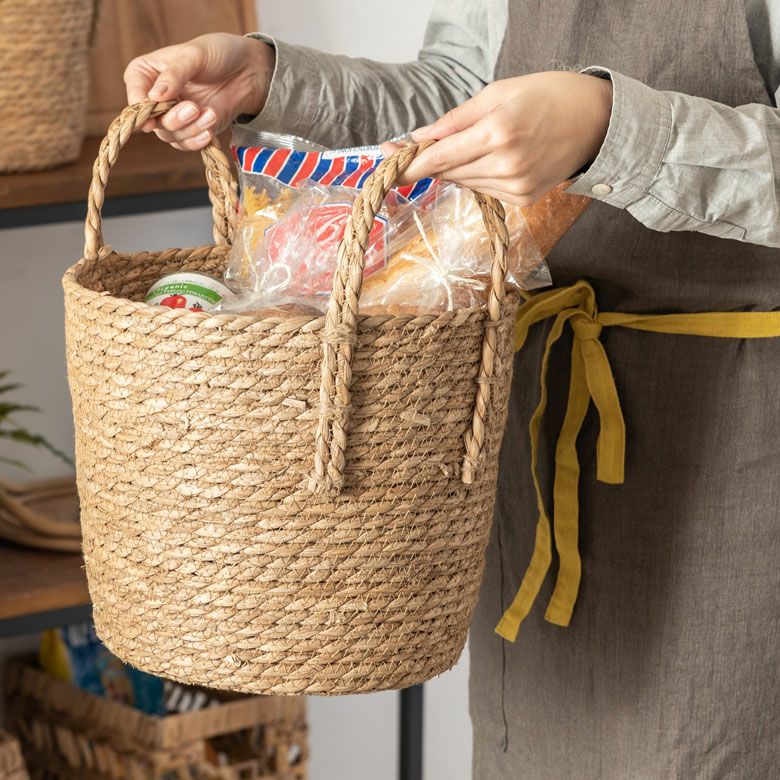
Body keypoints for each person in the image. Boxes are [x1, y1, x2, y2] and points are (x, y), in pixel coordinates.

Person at [125, 2, 780, 777]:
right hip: (536, 422)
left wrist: (613, 132)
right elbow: (463, 96)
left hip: (741, 435)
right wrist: (272, 78)